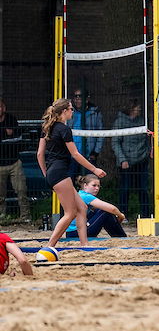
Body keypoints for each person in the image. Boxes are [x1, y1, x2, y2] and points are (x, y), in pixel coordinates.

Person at [37, 98, 105, 248]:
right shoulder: (63, 129)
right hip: (60, 173)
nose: (73, 112)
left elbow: (40, 154)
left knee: (82, 208)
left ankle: (84, 244)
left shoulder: (47, 127)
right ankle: (50, 246)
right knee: (70, 213)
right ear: (64, 112)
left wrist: (45, 173)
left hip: (53, 173)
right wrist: (94, 169)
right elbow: (75, 154)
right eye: (71, 109)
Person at [113, 100, 151, 217]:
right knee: (125, 189)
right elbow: (115, 142)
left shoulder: (142, 121)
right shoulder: (120, 122)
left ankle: (145, 215)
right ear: (131, 108)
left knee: (143, 189)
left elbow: (148, 138)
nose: (139, 110)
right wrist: (122, 159)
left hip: (142, 160)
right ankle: (123, 215)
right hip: (126, 161)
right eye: (137, 107)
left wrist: (149, 151)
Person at [0, 97, 32, 221]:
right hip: (0, 164)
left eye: (1, 106)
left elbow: (18, 139)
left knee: (21, 190)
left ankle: (25, 216)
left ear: (4, 108)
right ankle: (2, 217)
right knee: (0, 195)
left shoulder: (11, 119)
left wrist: (7, 136)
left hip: (14, 162)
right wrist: (6, 134)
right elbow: (9, 136)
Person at [69, 89, 103, 178]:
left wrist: (95, 152)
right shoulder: (70, 112)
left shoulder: (95, 113)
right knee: (70, 181)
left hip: (89, 155)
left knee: (89, 181)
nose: (77, 99)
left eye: (80, 96)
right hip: (72, 155)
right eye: (75, 97)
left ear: (87, 99)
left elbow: (100, 134)